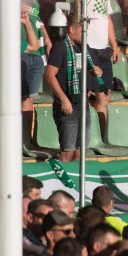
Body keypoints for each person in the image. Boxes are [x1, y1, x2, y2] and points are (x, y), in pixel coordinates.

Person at [44, 13, 104, 162]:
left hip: (83, 104)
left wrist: (96, 71)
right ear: (71, 29)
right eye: (83, 31)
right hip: (67, 105)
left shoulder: (85, 48)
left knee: (80, 152)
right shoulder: (60, 47)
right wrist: (63, 99)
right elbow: (49, 75)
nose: (86, 34)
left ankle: (78, 183)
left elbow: (88, 70)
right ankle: (62, 184)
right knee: (68, 152)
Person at [74, 0, 120, 136]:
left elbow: (107, 19)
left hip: (103, 49)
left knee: (104, 97)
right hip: (87, 47)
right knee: (84, 93)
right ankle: (82, 136)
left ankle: (100, 137)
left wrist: (115, 45)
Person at [21, 0, 52, 144]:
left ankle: (26, 139)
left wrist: (47, 40)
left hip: (36, 55)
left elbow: (38, 21)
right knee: (16, 98)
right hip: (20, 51)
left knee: (28, 99)